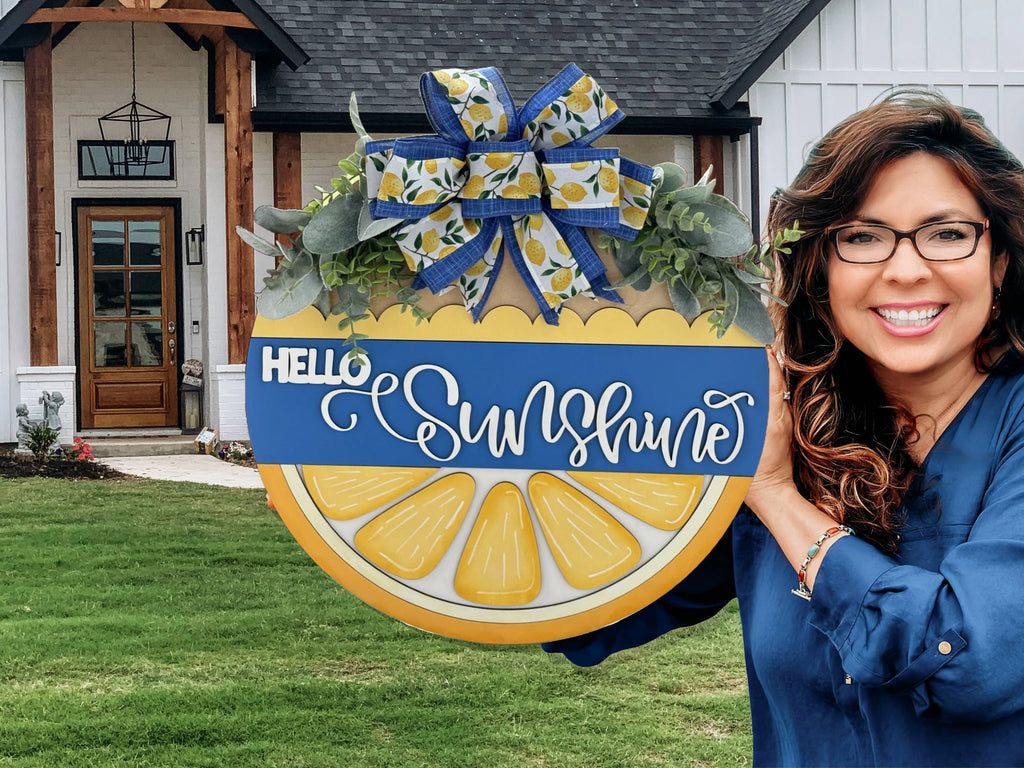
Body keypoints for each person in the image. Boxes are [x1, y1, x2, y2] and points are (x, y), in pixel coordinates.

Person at [544, 91, 1024, 766]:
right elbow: (596, 608)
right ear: (820, 268)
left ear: (998, 262)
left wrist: (774, 496)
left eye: (947, 234)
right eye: (862, 237)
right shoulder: (781, 423)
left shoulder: (773, 465)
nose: (907, 269)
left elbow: (969, 664)